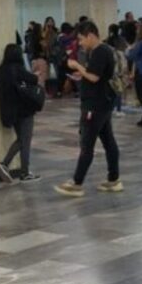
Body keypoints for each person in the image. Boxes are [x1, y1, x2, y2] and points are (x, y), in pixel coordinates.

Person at [55, 21, 121, 197]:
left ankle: (77, 183)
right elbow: (92, 74)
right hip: (103, 103)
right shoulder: (102, 51)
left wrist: (77, 66)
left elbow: (93, 77)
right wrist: (81, 73)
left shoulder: (100, 51)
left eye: (82, 39)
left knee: (87, 144)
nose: (81, 43)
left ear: (91, 35)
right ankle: (113, 179)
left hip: (95, 105)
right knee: (108, 141)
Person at [0, 44, 41, 183]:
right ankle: (14, 168)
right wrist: (36, 74)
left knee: (22, 139)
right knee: (24, 140)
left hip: (9, 111)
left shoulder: (0, 71)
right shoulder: (17, 69)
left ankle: (21, 170)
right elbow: (33, 80)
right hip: (24, 109)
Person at [29, 22, 48, 88]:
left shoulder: (31, 39)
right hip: (41, 60)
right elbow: (45, 47)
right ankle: (41, 92)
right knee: (42, 77)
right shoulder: (40, 39)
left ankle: (35, 91)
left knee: (35, 76)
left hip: (33, 60)